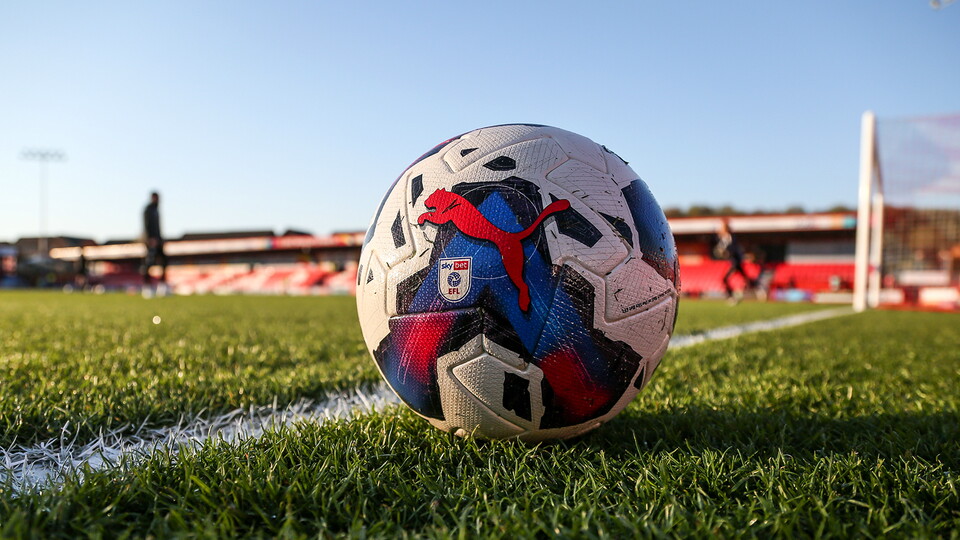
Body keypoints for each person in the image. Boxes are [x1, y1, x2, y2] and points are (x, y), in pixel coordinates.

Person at [714, 219, 759, 303]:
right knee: (744, 278)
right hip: (733, 262)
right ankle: (755, 288)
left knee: (725, 279)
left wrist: (726, 252)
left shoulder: (730, 238)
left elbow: (734, 250)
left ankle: (732, 296)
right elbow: (723, 251)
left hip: (735, 262)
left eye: (721, 228)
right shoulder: (721, 239)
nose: (719, 229)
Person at [142, 191, 167, 288]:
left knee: (163, 261)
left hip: (158, 239)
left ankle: (162, 284)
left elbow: (158, 227)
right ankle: (147, 286)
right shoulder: (148, 209)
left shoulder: (156, 209)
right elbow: (146, 225)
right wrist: (150, 238)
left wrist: (160, 238)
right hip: (151, 240)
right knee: (149, 262)